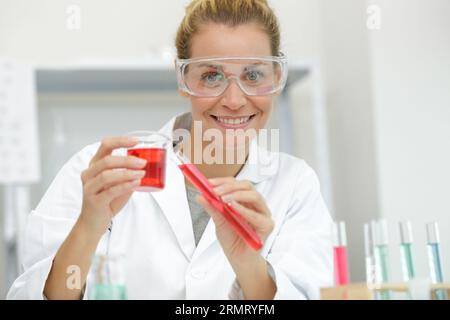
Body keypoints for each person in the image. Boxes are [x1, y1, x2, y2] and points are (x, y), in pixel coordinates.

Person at [7, 0, 332, 300]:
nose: (234, 100)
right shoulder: (103, 171)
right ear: (183, 78)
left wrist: (249, 263)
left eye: (253, 75)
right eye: (212, 76)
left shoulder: (295, 185)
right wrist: (89, 225)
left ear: (277, 77)